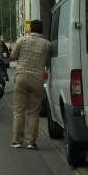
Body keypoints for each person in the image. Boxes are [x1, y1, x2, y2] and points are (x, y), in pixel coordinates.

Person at [9, 20, 52, 150]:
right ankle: (30, 142)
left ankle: (17, 140)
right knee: (34, 112)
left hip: (21, 77)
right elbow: (49, 60)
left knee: (19, 110)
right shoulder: (46, 44)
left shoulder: (22, 40)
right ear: (41, 30)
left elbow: (13, 57)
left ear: (30, 29)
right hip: (37, 79)